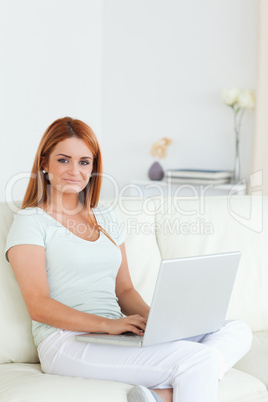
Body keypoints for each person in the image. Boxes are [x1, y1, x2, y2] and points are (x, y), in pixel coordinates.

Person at [5, 117, 252, 402]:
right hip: (64, 341)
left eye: (85, 162)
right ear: (45, 163)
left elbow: (124, 291)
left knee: (236, 329)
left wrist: (158, 321)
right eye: (64, 160)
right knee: (197, 360)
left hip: (114, 335)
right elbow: (39, 305)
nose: (75, 170)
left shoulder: (106, 217)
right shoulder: (30, 221)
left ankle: (163, 396)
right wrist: (106, 325)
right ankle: (178, 388)